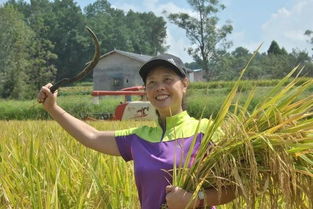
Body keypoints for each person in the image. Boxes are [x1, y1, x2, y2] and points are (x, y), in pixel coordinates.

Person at [37, 54, 236, 209]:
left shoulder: (206, 130)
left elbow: (234, 188)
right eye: (152, 82)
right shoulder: (139, 138)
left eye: (167, 79)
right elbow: (93, 136)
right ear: (145, 91)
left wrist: (195, 199)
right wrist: (53, 108)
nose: (160, 87)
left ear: (184, 84)